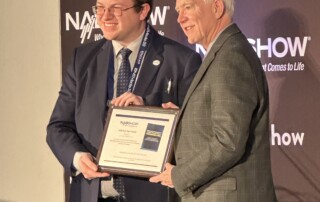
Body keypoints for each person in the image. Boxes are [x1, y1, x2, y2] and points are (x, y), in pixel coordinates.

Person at [46, 0, 202, 201]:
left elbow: (198, 136)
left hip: (153, 195)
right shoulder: (82, 59)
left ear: (143, 11)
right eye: (100, 8)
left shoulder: (181, 60)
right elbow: (58, 126)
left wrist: (149, 113)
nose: (105, 16)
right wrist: (77, 158)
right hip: (92, 195)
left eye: (116, 8)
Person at [150, 0, 277, 201]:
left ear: (217, 8)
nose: (180, 18)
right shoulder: (222, 52)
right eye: (178, 10)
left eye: (188, 7)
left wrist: (179, 175)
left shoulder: (231, 55)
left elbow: (228, 142)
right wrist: (183, 116)